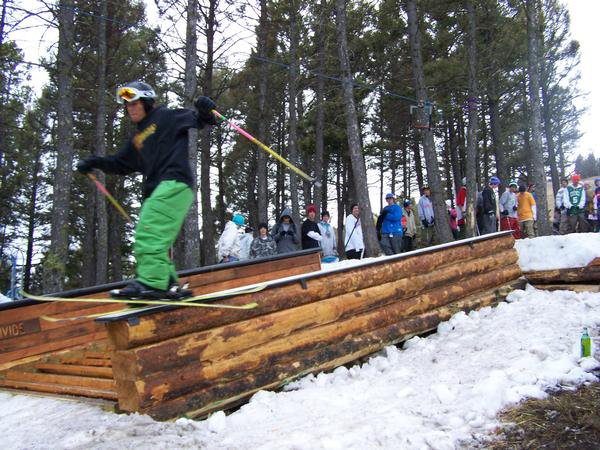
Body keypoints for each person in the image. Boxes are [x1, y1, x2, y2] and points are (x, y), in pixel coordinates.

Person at [76, 81, 217, 300]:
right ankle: (167, 282)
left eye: (134, 103)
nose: (129, 108)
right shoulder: (138, 138)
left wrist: (206, 110)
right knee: (156, 238)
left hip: (174, 182)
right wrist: (95, 162)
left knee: (148, 233)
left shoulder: (165, 117)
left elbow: (201, 120)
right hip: (161, 189)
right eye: (126, 105)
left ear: (147, 102)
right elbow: (120, 163)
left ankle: (152, 283)